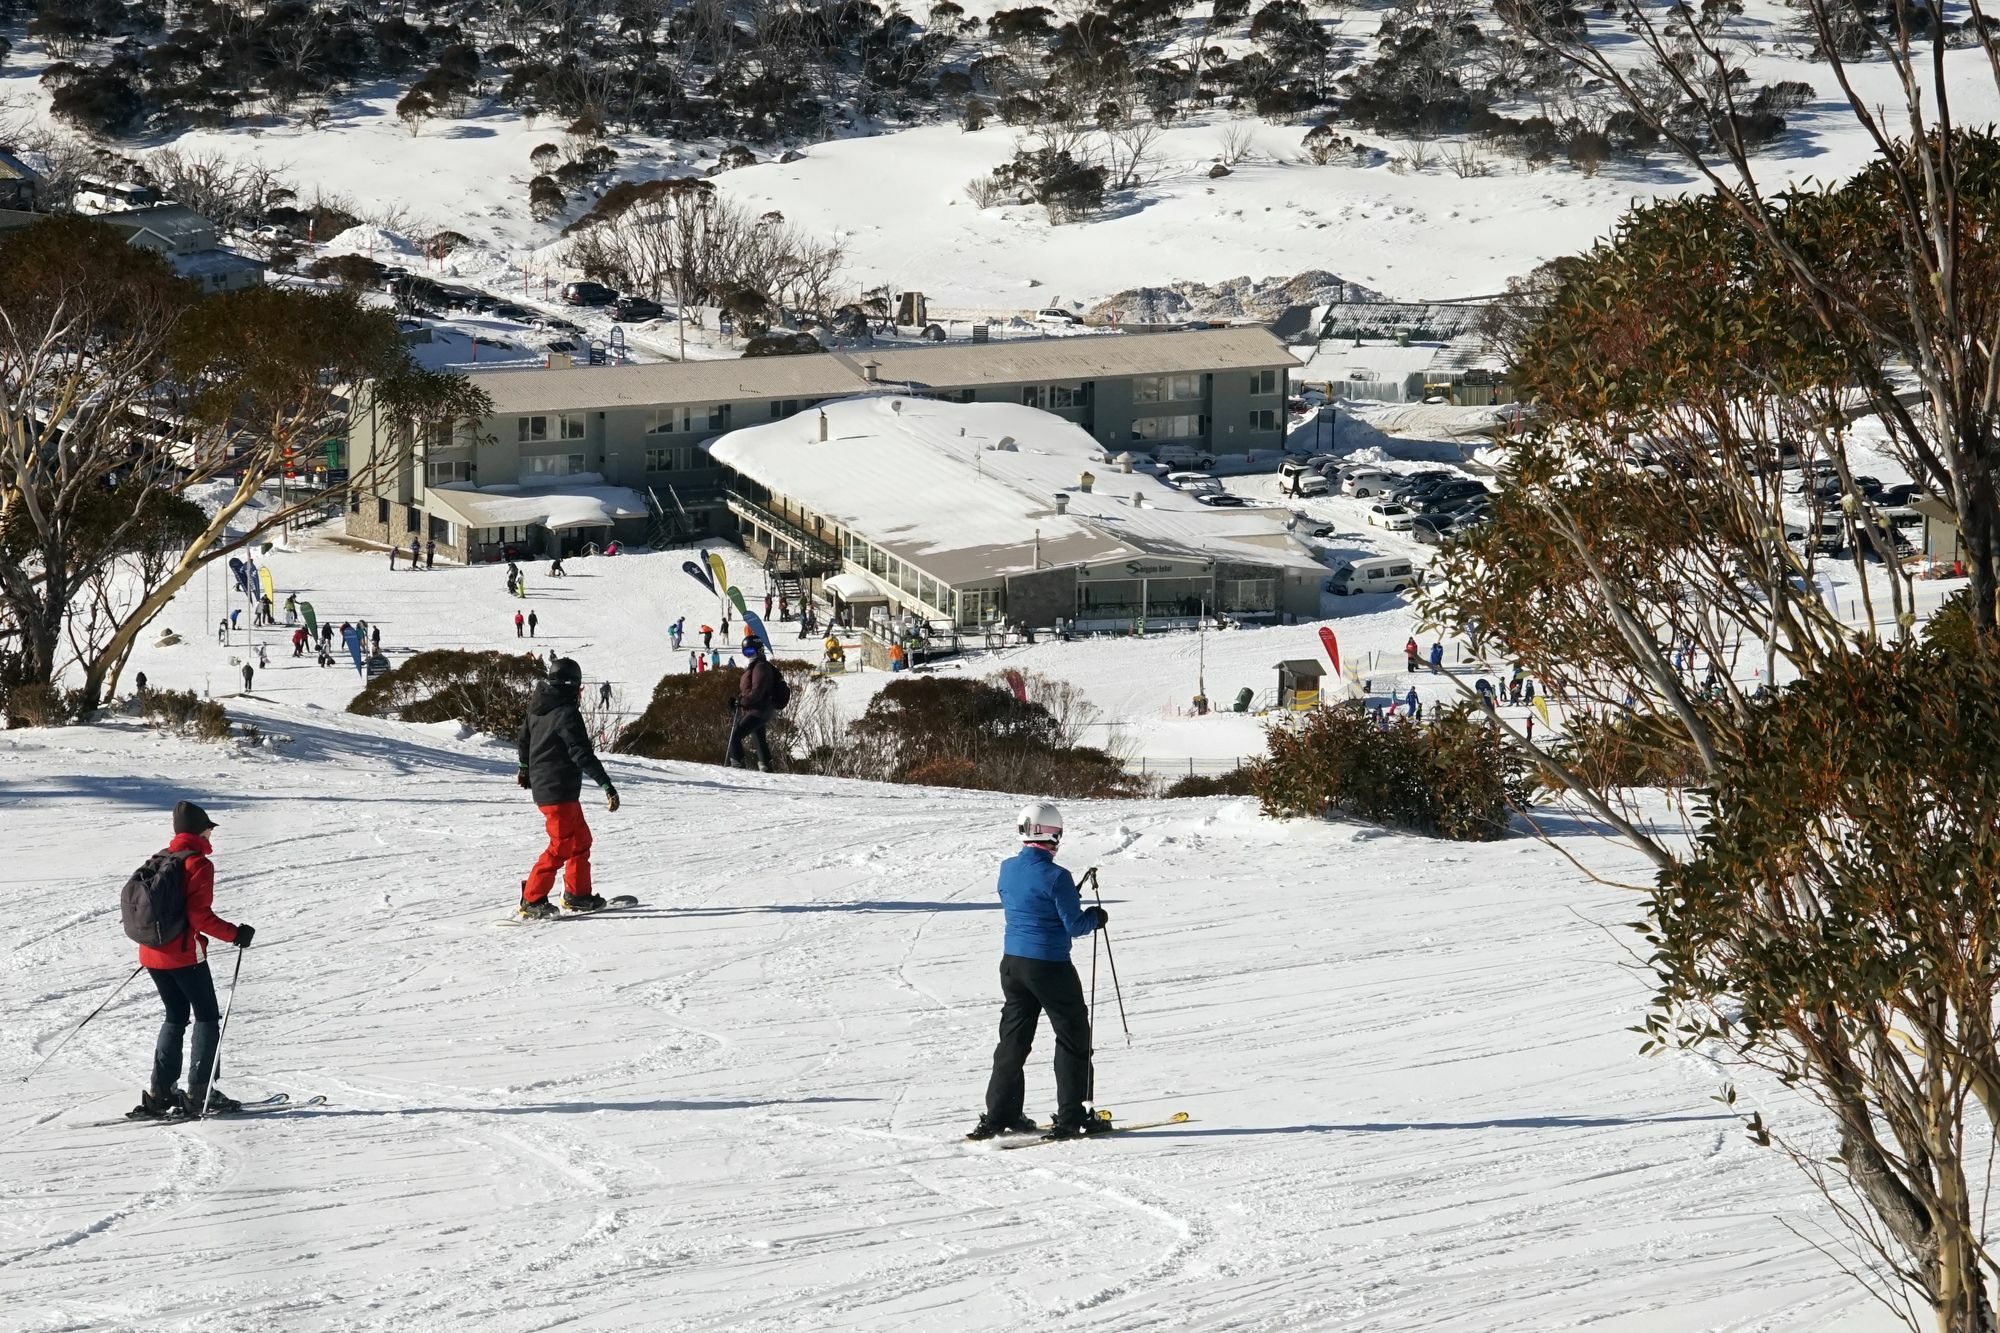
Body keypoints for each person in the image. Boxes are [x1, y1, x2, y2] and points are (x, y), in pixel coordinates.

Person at [966, 802, 1109, 1142]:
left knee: (1013, 1040)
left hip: (1013, 965)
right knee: (1073, 1037)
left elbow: (1026, 904)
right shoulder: (1057, 876)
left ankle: (1001, 1114)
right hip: (1050, 967)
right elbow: (1074, 926)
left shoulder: (1006, 868)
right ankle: (1072, 1117)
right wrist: (1096, 917)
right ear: (1052, 834)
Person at [127, 801, 254, 1119]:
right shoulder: (198, 864)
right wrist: (235, 933)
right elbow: (199, 916)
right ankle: (200, 1093)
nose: (212, 833)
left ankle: (160, 1092)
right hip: (184, 955)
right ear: (201, 830)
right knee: (207, 1018)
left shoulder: (160, 858)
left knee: (174, 1016)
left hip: (151, 953)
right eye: (209, 828)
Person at [516, 657, 618, 918]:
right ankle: (532, 899)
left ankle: (577, 894)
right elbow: (581, 753)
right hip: (556, 789)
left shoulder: (539, 706)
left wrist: (525, 768)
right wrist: (606, 784)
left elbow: (524, 738)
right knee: (561, 845)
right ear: (573, 686)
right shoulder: (566, 712)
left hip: (555, 788)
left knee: (580, 840)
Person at [726, 641, 784, 772]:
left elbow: (757, 691)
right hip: (760, 709)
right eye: (745, 652)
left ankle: (738, 767)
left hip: (758, 710)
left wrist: (742, 702)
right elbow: (750, 690)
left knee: (735, 737)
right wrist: (740, 700)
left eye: (751, 652)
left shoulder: (760, 667)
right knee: (758, 737)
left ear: (760, 651)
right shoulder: (757, 666)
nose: (748, 655)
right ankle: (766, 766)